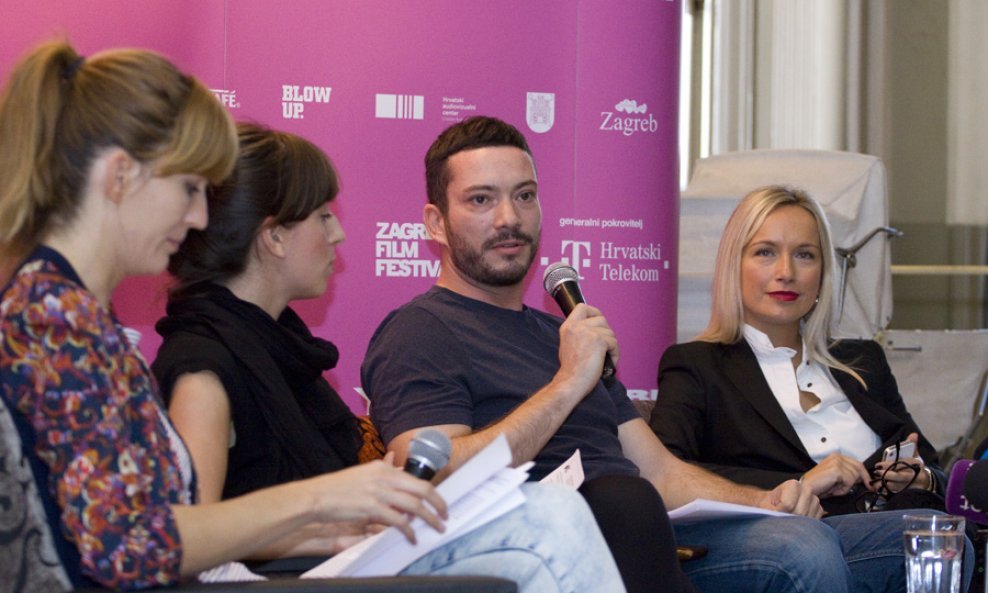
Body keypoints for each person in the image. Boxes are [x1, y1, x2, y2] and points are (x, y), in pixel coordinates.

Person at [361, 115, 918, 593]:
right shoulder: (420, 331)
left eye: (524, 195)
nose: (509, 217)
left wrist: (766, 499)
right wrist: (568, 382)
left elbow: (660, 470)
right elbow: (430, 478)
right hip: (556, 547)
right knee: (801, 551)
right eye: (481, 200)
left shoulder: (564, 332)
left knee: (918, 539)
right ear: (435, 222)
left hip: (651, 528)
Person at [0, 40, 465, 591]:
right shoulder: (54, 322)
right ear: (120, 176)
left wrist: (327, 526)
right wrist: (317, 499)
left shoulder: (70, 315)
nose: (199, 215)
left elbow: (146, 529)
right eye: (190, 187)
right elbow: (129, 548)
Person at [151, 121, 626, 593]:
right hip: (277, 584)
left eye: (525, 196)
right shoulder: (204, 362)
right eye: (322, 215)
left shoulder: (281, 351)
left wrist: (352, 523)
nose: (337, 234)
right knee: (549, 515)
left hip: (339, 563)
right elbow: (191, 541)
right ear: (275, 237)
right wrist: (327, 508)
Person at [650, 185, 948, 516]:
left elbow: (935, 468)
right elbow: (667, 475)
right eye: (765, 252)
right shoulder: (696, 365)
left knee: (939, 531)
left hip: (899, 523)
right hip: (794, 540)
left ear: (822, 274)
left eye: (804, 254)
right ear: (733, 266)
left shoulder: (864, 361)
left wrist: (921, 480)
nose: (786, 273)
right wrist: (800, 482)